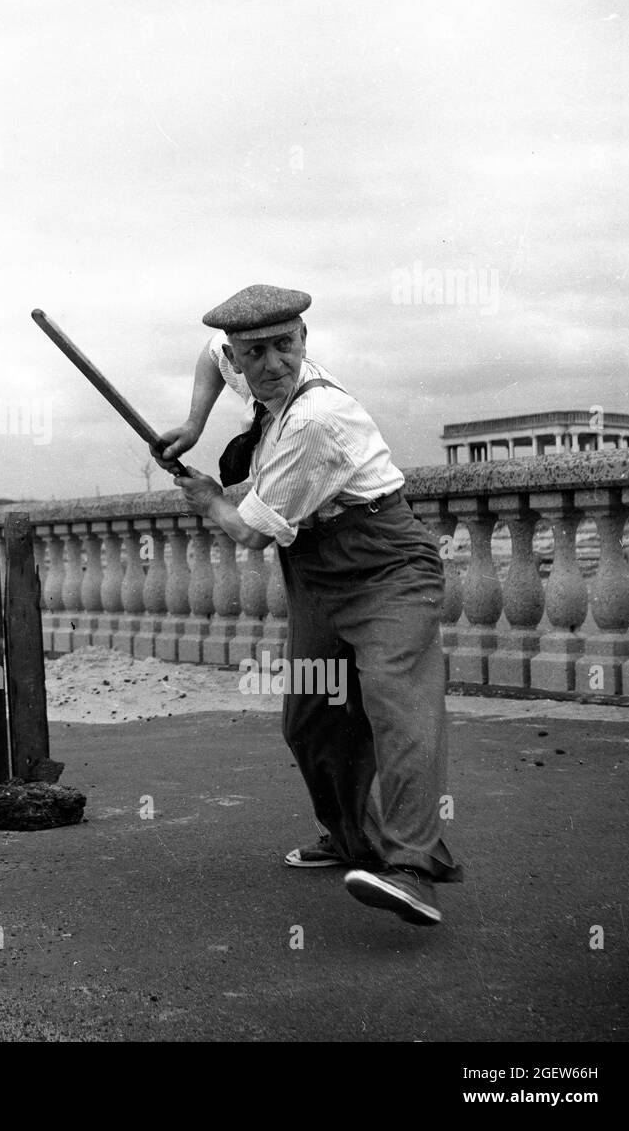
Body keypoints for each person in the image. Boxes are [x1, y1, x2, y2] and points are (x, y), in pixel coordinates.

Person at [156, 284, 462, 926]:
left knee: (397, 705)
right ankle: (352, 840)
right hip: (317, 570)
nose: (272, 364)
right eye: (256, 352)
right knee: (312, 716)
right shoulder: (243, 367)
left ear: (304, 342)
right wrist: (192, 424)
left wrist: (210, 498)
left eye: (284, 346)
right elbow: (210, 355)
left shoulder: (317, 418)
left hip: (387, 566)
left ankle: (412, 867)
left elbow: (248, 530)